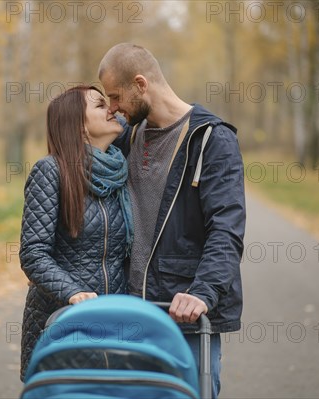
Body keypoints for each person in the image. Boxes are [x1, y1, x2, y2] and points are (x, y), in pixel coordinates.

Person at [98, 43, 246, 398]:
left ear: (140, 84)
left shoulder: (211, 139)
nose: (113, 108)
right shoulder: (126, 137)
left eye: (115, 96)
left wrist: (202, 293)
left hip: (185, 318)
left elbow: (226, 229)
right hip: (129, 315)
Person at [18, 86, 132, 381]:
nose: (112, 110)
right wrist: (73, 293)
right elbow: (33, 253)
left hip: (113, 322)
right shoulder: (51, 171)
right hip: (64, 320)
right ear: (79, 125)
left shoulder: (120, 174)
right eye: (100, 105)